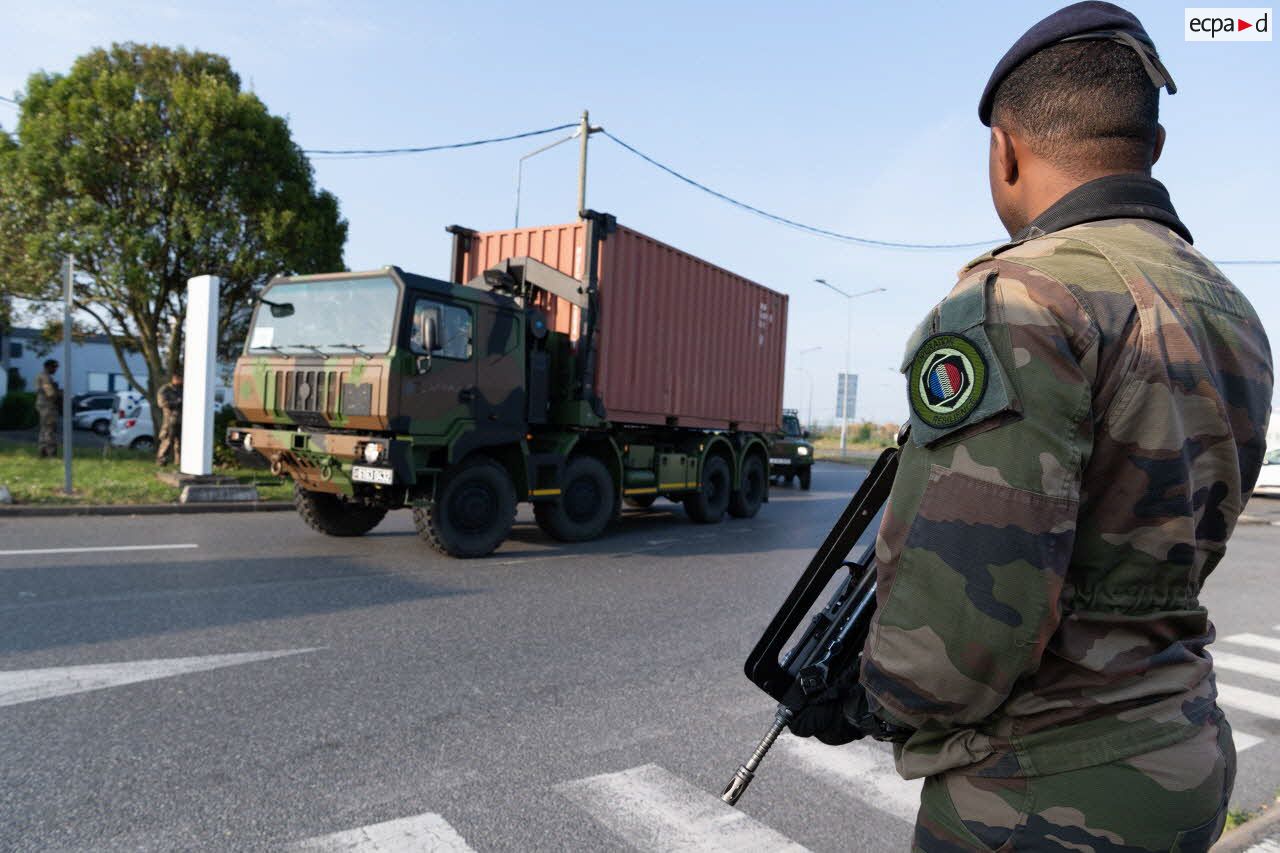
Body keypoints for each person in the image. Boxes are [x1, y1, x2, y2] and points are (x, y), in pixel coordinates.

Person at [788, 3, 1273, 850]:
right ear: (1151, 148)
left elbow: (964, 611)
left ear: (1003, 150)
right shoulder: (1232, 310)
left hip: (1038, 791)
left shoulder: (1019, 297)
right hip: (1183, 753)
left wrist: (873, 695)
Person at [34, 359, 61, 458]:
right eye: (54, 367)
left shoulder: (41, 376)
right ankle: (51, 454)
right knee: (50, 430)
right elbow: (50, 393)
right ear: (48, 367)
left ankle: (42, 453)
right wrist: (59, 392)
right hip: (48, 407)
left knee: (44, 429)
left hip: (43, 406)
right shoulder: (45, 377)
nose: (55, 369)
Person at [156, 373, 183, 466]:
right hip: (170, 419)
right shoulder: (165, 390)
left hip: (182, 420)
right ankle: (161, 461)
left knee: (180, 443)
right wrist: (176, 403)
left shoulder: (183, 389)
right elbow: (162, 403)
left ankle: (179, 463)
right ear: (173, 378)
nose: (181, 380)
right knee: (167, 441)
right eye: (178, 378)